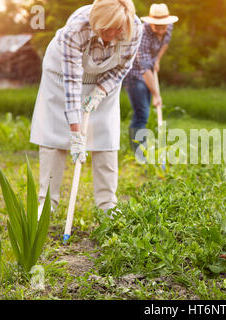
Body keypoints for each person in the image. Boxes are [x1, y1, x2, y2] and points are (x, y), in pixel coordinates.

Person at [30, 0, 142, 213]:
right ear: (97, 21)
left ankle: (107, 206)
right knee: (54, 136)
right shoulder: (76, 30)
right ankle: (46, 207)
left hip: (104, 80)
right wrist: (75, 132)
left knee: (105, 136)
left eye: (118, 29)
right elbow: (72, 83)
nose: (113, 34)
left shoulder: (133, 28)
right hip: (62, 77)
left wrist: (100, 92)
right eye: (107, 29)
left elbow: (123, 68)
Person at [123, 3, 178, 156]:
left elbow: (165, 43)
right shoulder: (142, 33)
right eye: (157, 26)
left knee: (144, 114)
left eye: (163, 26)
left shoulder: (168, 26)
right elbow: (145, 68)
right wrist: (156, 94)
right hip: (134, 74)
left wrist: (158, 60)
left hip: (148, 70)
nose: (161, 30)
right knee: (142, 113)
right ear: (150, 22)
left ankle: (143, 148)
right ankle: (139, 152)